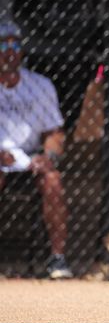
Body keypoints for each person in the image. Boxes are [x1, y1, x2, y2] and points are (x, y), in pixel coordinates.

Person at [0, 19, 73, 279]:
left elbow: (54, 132)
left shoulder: (40, 85)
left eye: (15, 44)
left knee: (53, 181)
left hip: (27, 157)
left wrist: (48, 156)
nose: (10, 50)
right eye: (3, 45)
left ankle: (58, 259)